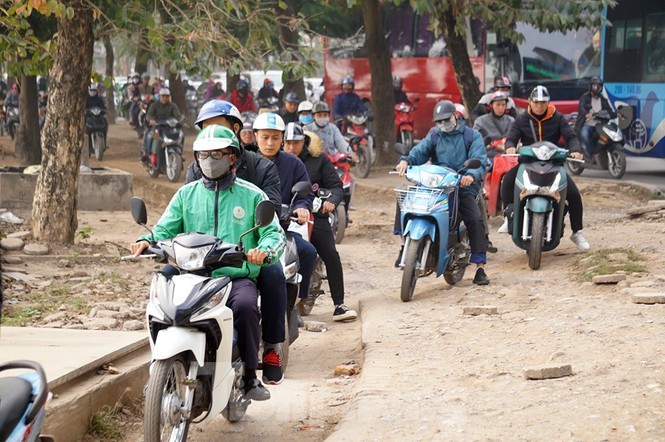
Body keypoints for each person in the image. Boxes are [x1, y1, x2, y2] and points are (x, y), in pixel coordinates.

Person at [130, 125, 284, 401]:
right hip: (191, 274)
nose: (209, 160)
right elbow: (164, 229)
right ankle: (158, 370)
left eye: (217, 154)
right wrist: (146, 240)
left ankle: (250, 376)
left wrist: (263, 250)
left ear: (233, 157)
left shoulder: (252, 195)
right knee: (161, 305)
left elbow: (273, 233)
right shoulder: (186, 195)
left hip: (234, 276)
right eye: (203, 155)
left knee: (247, 306)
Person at [184, 100, 286, 384]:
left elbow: (270, 210)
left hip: (246, 251)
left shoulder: (259, 169)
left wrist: (259, 249)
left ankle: (271, 348)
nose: (209, 157)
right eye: (205, 128)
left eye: (217, 127)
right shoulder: (194, 176)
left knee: (273, 273)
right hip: (201, 260)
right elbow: (178, 215)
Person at [394, 100, 490, 285]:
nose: (442, 124)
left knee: (475, 219)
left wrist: (470, 175)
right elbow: (419, 151)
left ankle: (480, 267)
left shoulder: (472, 136)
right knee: (406, 199)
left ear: (455, 116)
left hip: (462, 186)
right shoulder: (435, 135)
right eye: (439, 121)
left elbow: (479, 159)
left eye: (446, 120)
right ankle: (403, 245)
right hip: (436, 186)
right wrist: (406, 161)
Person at [499, 85, 589, 251]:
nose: (539, 105)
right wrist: (510, 147)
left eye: (543, 102)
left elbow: (570, 137)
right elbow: (511, 138)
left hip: (554, 164)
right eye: (536, 102)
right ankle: (508, 216)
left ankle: (577, 232)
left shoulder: (558, 118)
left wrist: (576, 150)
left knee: (574, 195)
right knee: (507, 181)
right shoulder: (522, 119)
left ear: (548, 103)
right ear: (530, 102)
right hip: (527, 163)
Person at [283, 123, 357, 321]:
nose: (291, 147)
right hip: (282, 219)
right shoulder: (276, 162)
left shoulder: (319, 160)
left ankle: (339, 304)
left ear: (304, 142)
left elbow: (335, 186)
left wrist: (331, 201)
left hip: (314, 217)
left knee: (331, 254)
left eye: (296, 143)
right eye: (288, 143)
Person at [253, 113, 318, 323]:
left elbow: (305, 194)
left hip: (280, 228)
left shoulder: (294, 164)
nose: (270, 143)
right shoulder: (245, 162)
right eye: (264, 137)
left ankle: (295, 302)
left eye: (275, 137)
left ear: (282, 138)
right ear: (255, 136)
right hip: (245, 231)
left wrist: (301, 208)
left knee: (308, 252)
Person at [575, 76, 616, 159]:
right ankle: (592, 154)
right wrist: (586, 114)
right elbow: (581, 107)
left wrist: (616, 114)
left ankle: (604, 153)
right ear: (590, 86)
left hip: (601, 125)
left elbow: (609, 111)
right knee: (584, 134)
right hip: (588, 124)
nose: (597, 87)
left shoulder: (603, 99)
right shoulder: (585, 97)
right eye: (594, 85)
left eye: (599, 85)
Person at [473, 92, 514, 166]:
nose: (501, 108)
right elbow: (475, 141)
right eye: (498, 105)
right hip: (489, 157)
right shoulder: (480, 121)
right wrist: (488, 144)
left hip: (509, 157)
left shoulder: (512, 121)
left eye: (503, 105)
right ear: (491, 105)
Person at [142, 88, 182, 165]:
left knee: (181, 135)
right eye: (163, 96)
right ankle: (147, 154)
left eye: (167, 96)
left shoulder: (172, 105)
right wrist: (151, 120)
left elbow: (178, 116)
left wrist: (181, 121)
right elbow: (149, 115)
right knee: (150, 136)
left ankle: (179, 154)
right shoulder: (154, 105)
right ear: (159, 96)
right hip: (157, 127)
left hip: (169, 127)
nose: (165, 98)